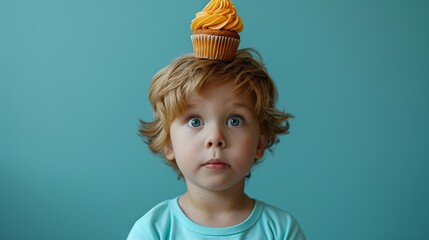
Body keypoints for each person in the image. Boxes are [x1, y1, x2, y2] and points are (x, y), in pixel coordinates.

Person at [127, 48, 306, 239]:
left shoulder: (281, 231)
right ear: (169, 143)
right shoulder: (152, 231)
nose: (215, 138)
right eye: (195, 121)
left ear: (259, 144)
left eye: (234, 121)